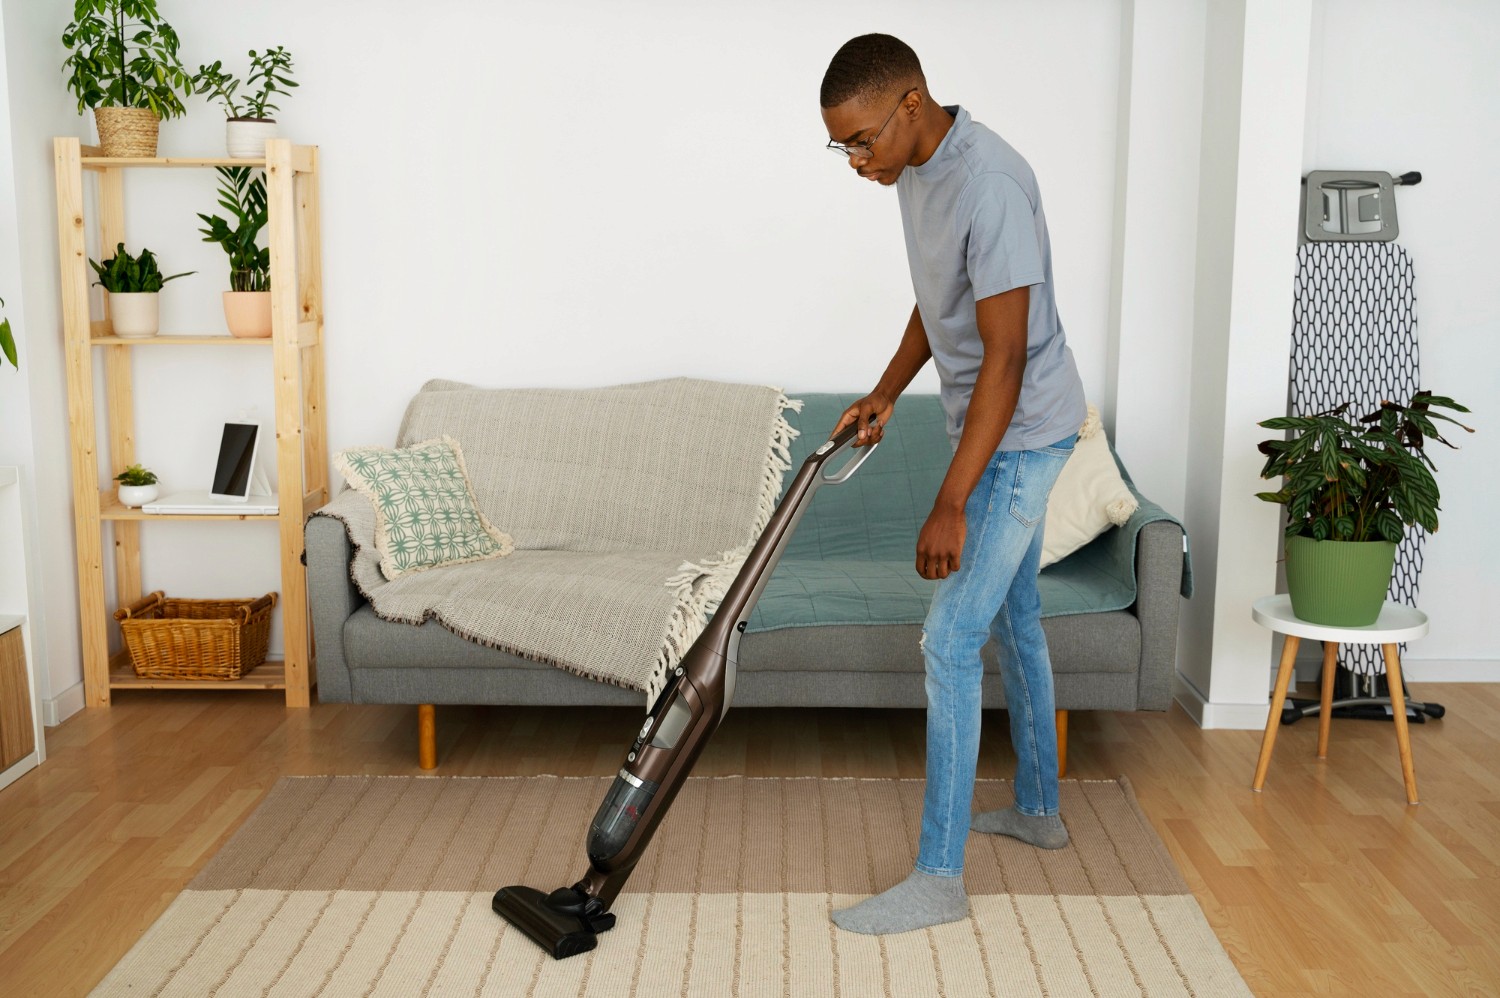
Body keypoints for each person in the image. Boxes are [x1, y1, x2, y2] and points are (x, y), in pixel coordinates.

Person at [819, 33, 1088, 936]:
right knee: (1014, 619)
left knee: (949, 639)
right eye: (840, 147)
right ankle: (1041, 812)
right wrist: (885, 392)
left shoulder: (992, 185)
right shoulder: (916, 172)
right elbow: (940, 302)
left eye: (860, 141)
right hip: (988, 427)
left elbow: (1006, 358)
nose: (855, 162)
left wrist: (949, 499)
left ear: (910, 104)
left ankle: (939, 879)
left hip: (1027, 434)